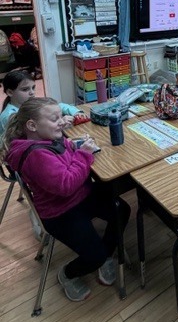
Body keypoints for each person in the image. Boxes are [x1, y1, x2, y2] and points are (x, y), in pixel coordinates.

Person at [1, 97, 131, 302]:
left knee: (121, 209)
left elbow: (61, 153)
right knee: (93, 256)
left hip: (80, 195)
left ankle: (106, 254)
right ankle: (67, 274)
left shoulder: (45, 138)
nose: (61, 122)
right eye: (55, 119)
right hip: (60, 211)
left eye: (61, 116)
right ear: (32, 125)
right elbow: (66, 184)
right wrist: (84, 155)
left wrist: (74, 146)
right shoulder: (36, 155)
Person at [0, 70, 84, 138]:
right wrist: (60, 124)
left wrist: (76, 112)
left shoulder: (30, 103)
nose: (32, 92)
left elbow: (59, 106)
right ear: (10, 92)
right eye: (25, 89)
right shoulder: (9, 116)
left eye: (33, 88)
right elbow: (30, 137)